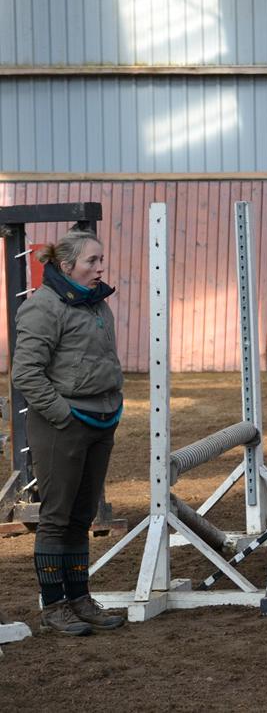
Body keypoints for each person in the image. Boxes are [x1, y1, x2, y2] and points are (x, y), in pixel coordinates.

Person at [11, 228, 126, 636]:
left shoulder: (96, 303)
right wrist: (63, 415)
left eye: (101, 259)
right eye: (92, 261)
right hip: (64, 424)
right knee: (57, 518)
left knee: (81, 516)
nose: (100, 267)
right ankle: (54, 606)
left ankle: (80, 599)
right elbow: (26, 372)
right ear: (67, 265)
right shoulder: (43, 307)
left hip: (101, 419)